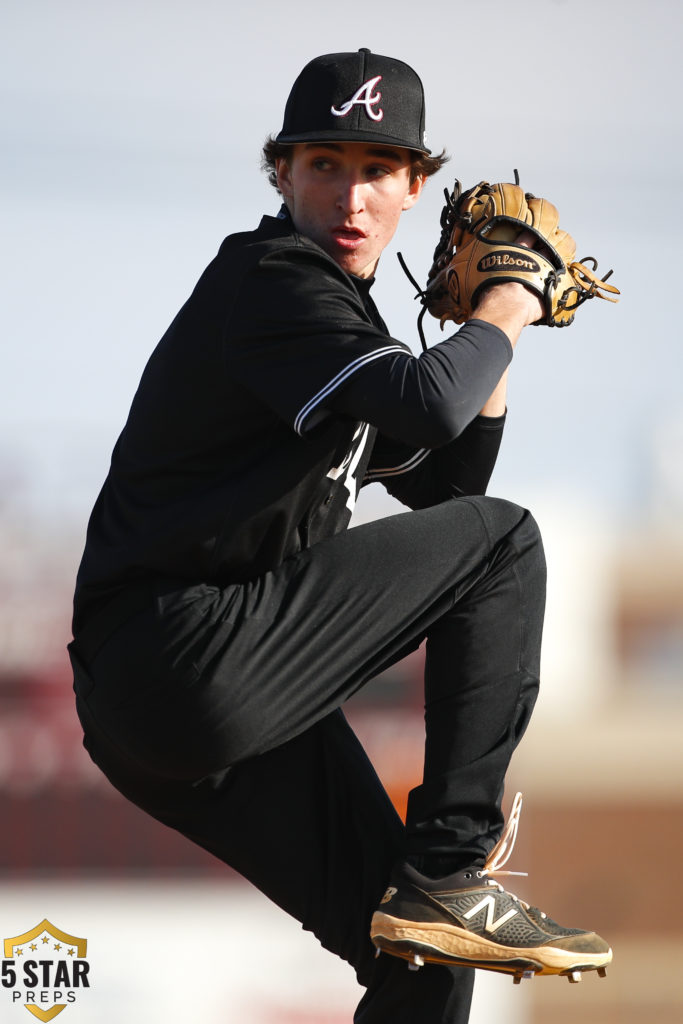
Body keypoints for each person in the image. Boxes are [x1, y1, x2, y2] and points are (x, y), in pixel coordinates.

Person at [68, 48, 611, 1023]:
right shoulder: (274, 280)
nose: (349, 195)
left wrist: (482, 341)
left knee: (422, 959)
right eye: (324, 164)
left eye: (375, 167)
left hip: (191, 695)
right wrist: (509, 301)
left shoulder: (337, 320)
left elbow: (444, 477)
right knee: (505, 542)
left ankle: (434, 894)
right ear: (280, 173)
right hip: (179, 646)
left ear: (415, 185)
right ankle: (449, 862)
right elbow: (442, 441)